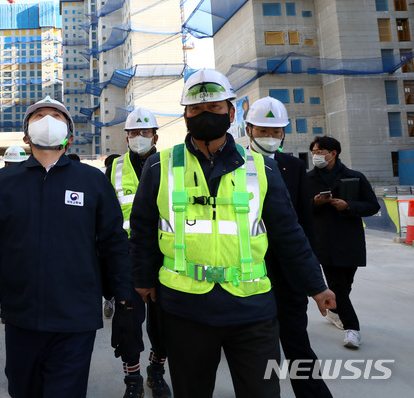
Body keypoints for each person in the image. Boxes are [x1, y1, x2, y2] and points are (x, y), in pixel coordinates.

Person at [129, 69, 336, 398]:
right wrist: (141, 278)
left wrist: (316, 285)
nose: (205, 115)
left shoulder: (261, 168)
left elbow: (288, 234)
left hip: (252, 309)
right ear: (185, 115)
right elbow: (142, 228)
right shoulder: (160, 166)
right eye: (195, 109)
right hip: (185, 308)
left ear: (231, 111)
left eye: (214, 107)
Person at [0, 96, 140, 398]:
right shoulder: (2, 183)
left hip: (75, 320)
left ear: (69, 137)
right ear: (26, 135)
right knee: (23, 391)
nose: (47, 120)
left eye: (56, 116)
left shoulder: (92, 181)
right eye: (39, 115)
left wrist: (125, 302)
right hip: (21, 318)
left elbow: (114, 244)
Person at [245, 98, 332, 398]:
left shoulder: (293, 166)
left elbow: (304, 224)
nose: (270, 137)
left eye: (276, 131)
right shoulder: (236, 165)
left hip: (289, 274)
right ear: (248, 130)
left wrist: (312, 275)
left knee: (296, 340)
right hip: (250, 272)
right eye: (262, 130)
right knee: (255, 347)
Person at [106, 107, 170, 398]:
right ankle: (132, 380)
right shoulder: (115, 167)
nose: (139, 137)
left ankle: (156, 372)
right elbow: (105, 215)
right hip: (127, 256)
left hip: (166, 256)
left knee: (163, 323)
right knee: (128, 323)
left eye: (145, 132)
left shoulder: (171, 166)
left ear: (155, 136)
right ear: (127, 136)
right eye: (134, 132)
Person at [307, 135, 379, 350]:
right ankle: (352, 329)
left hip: (350, 241)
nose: (315, 156)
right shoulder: (308, 180)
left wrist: (348, 206)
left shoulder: (355, 177)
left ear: (333, 153)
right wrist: (314, 203)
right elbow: (298, 209)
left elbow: (372, 206)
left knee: (345, 286)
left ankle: (336, 311)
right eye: (313, 152)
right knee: (337, 287)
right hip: (323, 242)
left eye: (319, 152)